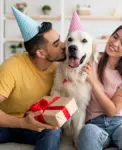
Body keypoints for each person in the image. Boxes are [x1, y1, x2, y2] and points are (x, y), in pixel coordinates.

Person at [0, 7, 66, 150]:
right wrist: (22, 122)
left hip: (36, 126)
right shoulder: (11, 67)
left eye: (60, 39)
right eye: (56, 44)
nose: (63, 45)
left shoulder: (60, 69)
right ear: (41, 53)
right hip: (5, 124)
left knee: (53, 131)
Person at [78, 22, 122, 150]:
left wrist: (94, 82)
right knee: (87, 134)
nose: (115, 44)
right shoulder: (91, 60)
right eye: (115, 37)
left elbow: (112, 110)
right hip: (94, 123)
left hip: (121, 122)